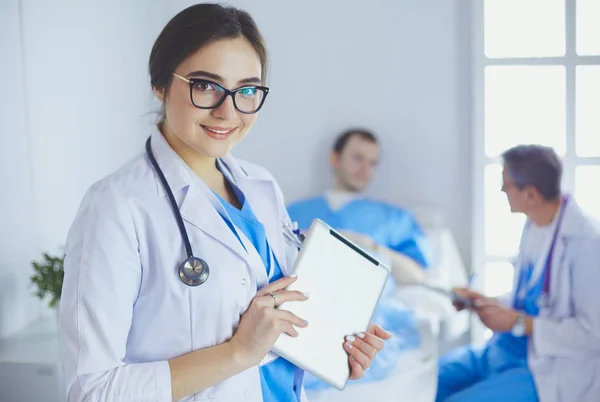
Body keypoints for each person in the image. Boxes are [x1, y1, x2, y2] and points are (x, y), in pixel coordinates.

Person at [58, 4, 391, 402]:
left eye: (247, 90)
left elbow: (279, 319)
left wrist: (335, 347)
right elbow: (92, 391)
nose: (228, 111)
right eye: (205, 85)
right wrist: (237, 353)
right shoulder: (115, 208)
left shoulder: (261, 186)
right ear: (160, 84)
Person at [436, 144, 600, 402]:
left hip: (545, 368)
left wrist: (518, 323)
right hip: (504, 348)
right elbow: (533, 298)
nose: (502, 190)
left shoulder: (587, 243)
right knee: (426, 384)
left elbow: (593, 335)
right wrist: (485, 302)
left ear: (530, 194)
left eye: (507, 185)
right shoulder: (535, 223)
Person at [287, 128, 433, 387]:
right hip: (306, 306)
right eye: (357, 158)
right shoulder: (296, 212)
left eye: (373, 163)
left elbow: (417, 275)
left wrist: (370, 246)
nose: (365, 169)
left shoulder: (393, 218)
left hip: (366, 315)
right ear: (335, 159)